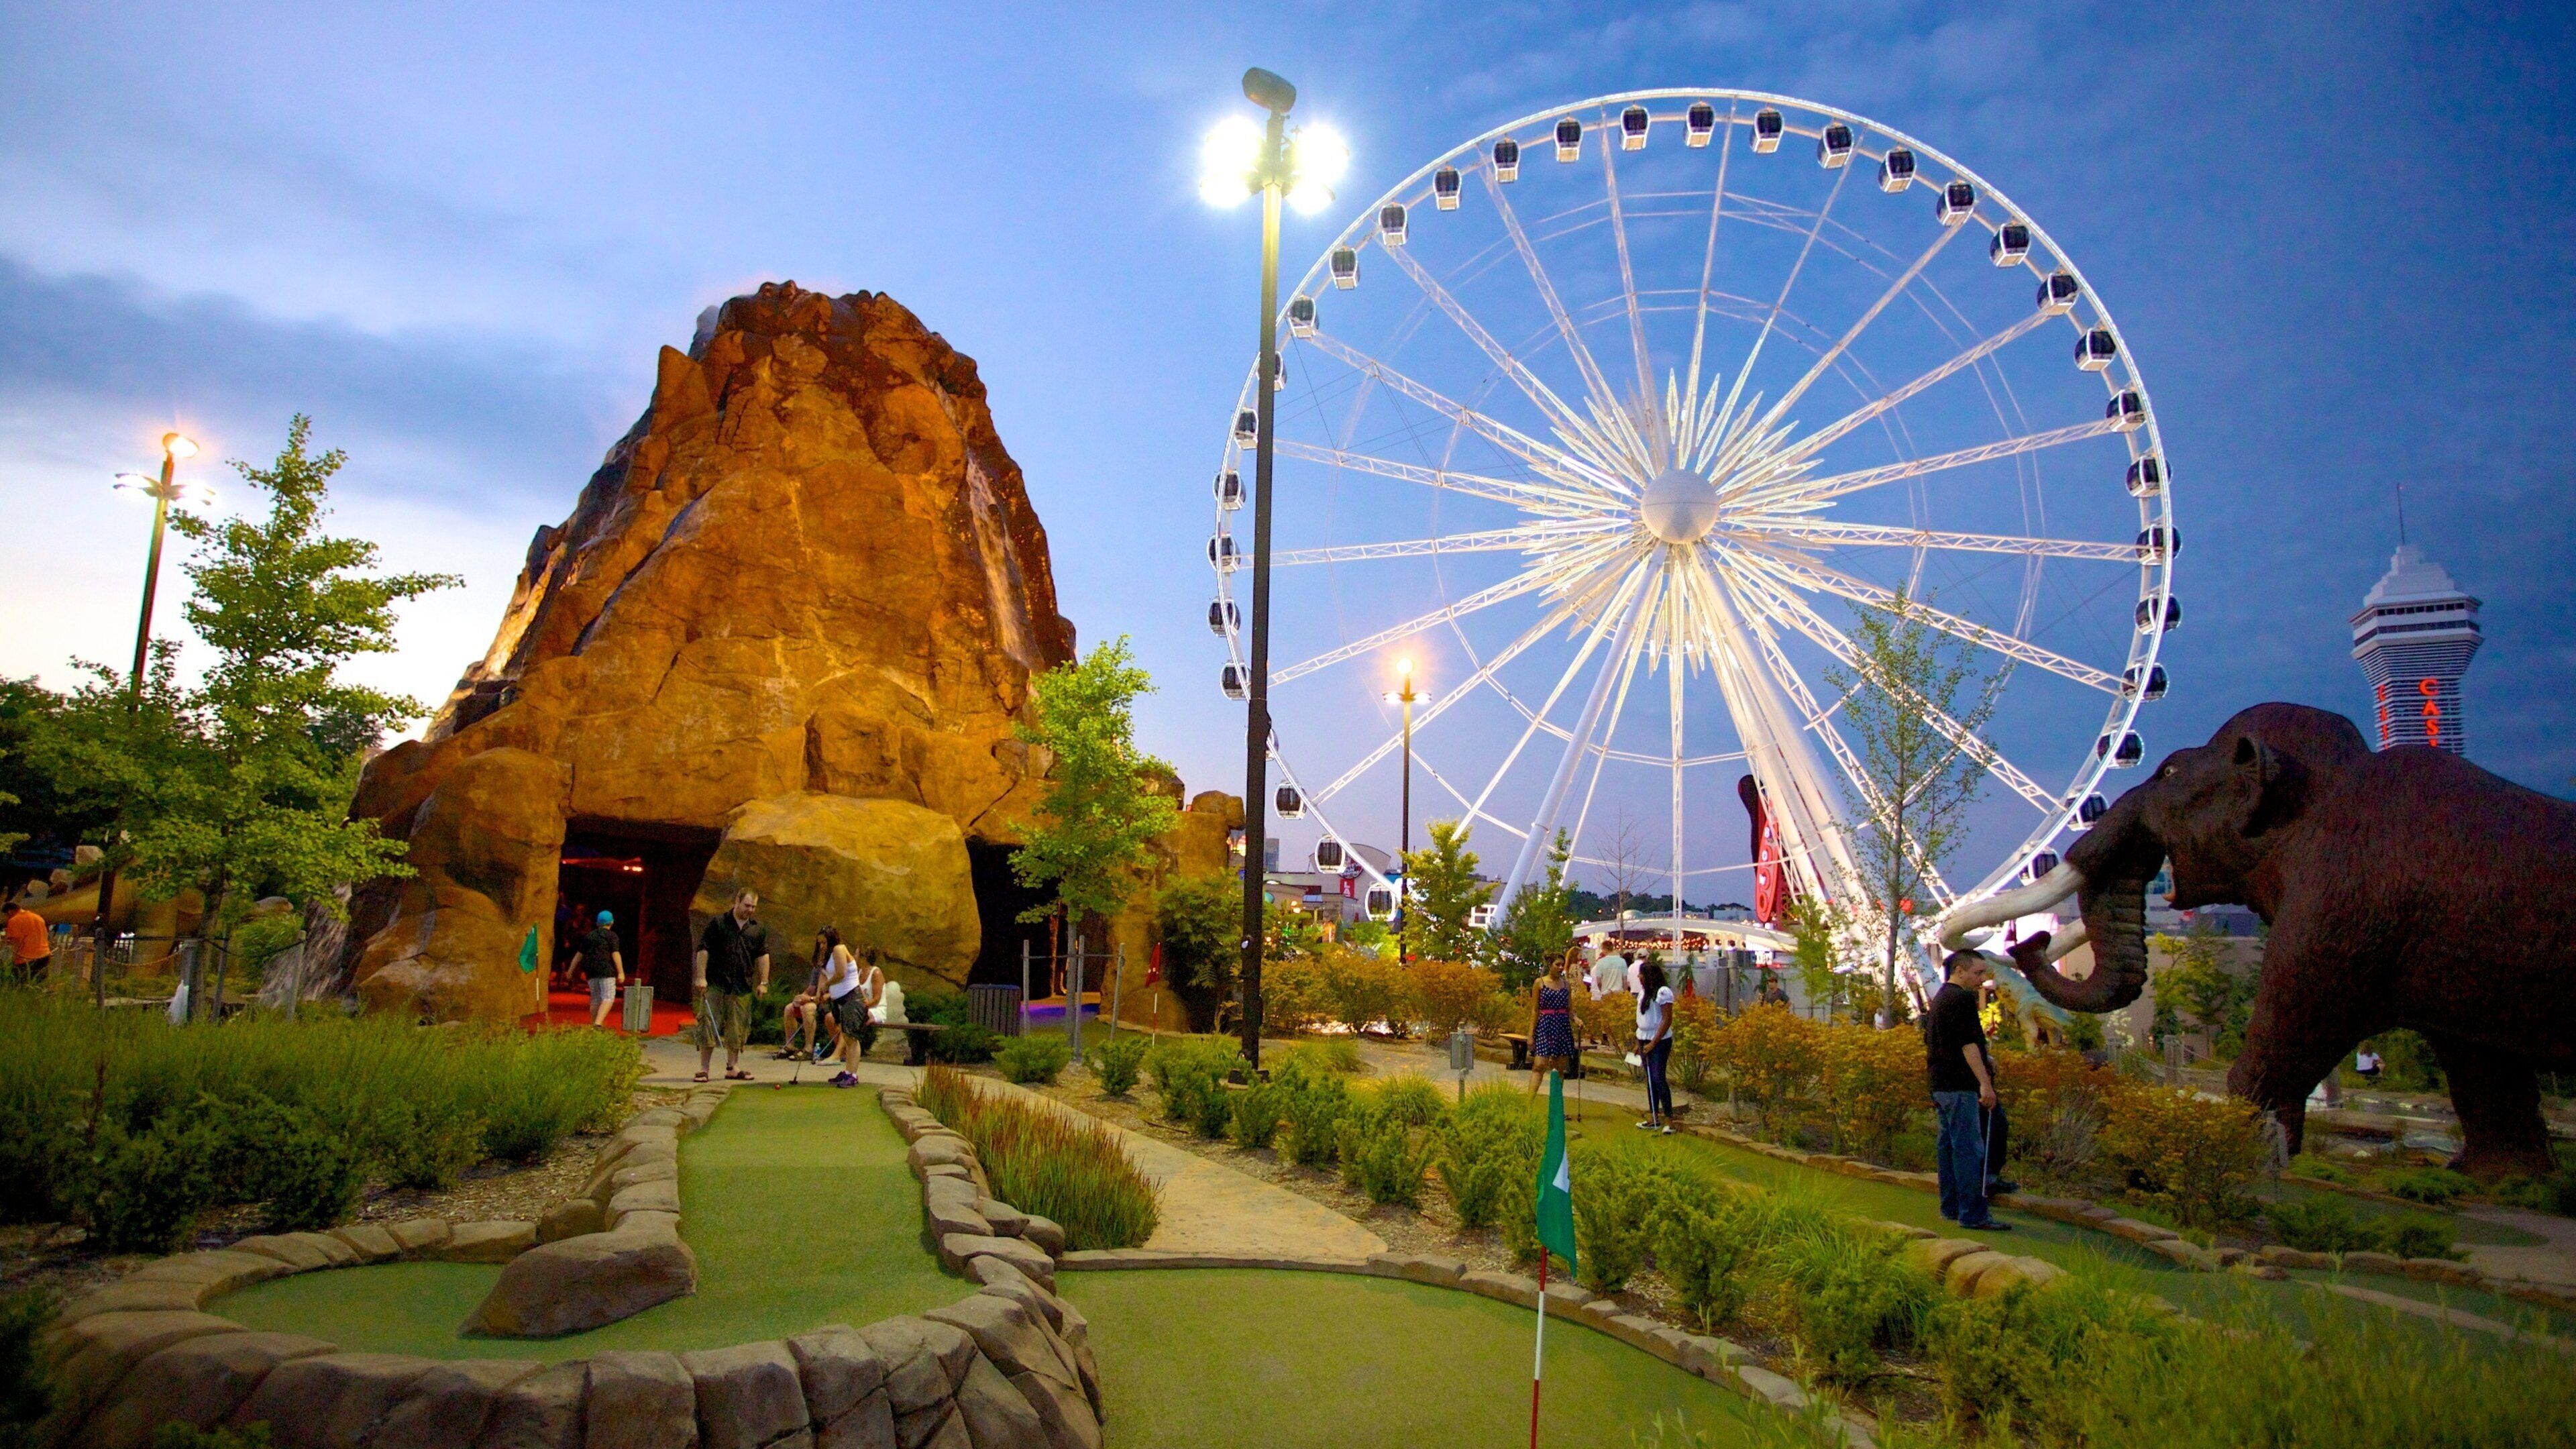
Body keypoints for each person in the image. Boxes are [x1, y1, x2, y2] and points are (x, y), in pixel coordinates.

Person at [1925, 950, 2010, 1232]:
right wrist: (1985, 1083)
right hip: (1960, 1085)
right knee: (1968, 1149)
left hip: (1941, 1083)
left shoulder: (1941, 998)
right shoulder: (1961, 999)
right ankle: (1973, 1213)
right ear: (1960, 971)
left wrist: (1985, 1060)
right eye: (1978, 973)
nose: (1982, 979)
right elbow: (1967, 1044)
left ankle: (1950, 1207)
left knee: (1948, 1146)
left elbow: (1942, 1041)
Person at [694, 889, 771, 1082]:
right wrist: (701, 977)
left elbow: (763, 956)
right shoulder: (718, 923)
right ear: (737, 901)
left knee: (738, 1027)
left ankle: (733, 1067)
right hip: (717, 983)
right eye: (747, 905)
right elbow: (703, 950)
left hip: (742, 985)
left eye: (754, 907)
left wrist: (763, 982)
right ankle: (704, 1068)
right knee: (708, 1023)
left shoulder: (757, 928)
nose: (750, 910)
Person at [820, 943, 883, 1087]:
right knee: (847, 1034)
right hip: (857, 1004)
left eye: (856, 954)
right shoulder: (858, 972)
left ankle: (852, 1075)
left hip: (873, 1008)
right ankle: (847, 1072)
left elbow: (877, 998)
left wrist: (864, 1005)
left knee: (851, 1036)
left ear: (864, 957)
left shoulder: (876, 973)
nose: (854, 957)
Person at [781, 929, 841, 1063]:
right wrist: (801, 997)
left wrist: (811, 999)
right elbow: (812, 988)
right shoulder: (819, 964)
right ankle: (790, 1046)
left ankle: (809, 1048)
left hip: (832, 1001)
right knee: (790, 1008)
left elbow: (834, 991)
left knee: (808, 1008)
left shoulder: (838, 962)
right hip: (818, 999)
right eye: (819, 943)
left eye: (824, 943)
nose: (821, 946)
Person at [1527, 951, 1580, 1095]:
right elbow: (1535, 1010)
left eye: (1562, 965)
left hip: (1562, 1026)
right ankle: (1529, 1105)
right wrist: (1530, 1035)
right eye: (1557, 964)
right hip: (1545, 1025)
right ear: (1550, 965)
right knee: (1539, 1065)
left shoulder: (1566, 985)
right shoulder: (1540, 983)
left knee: (1559, 1069)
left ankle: (1555, 1106)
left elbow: (1570, 1009)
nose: (1561, 967)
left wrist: (1576, 1019)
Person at [1634, 957, 1677, 1133]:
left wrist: (1653, 1042)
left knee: (1659, 1078)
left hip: (1659, 1040)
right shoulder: (1644, 993)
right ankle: (1654, 1117)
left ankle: (1669, 1120)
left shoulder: (1663, 992)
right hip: (1644, 1037)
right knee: (1650, 1080)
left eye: (1641, 975)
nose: (1639, 978)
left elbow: (1667, 1019)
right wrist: (1639, 1043)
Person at [581, 910, 625, 1028]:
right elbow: (615, 954)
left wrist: (570, 971)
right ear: (612, 922)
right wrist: (621, 972)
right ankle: (598, 1024)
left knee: (595, 998)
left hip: (591, 972)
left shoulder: (589, 936)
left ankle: (594, 1023)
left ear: (597, 923)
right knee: (608, 996)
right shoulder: (612, 936)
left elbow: (579, 954)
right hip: (606, 971)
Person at [4, 897, 52, 983]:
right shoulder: (37, 917)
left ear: (9, 911)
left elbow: (15, 942)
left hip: (26, 958)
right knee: (39, 984)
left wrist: (12, 960)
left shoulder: (14, 920)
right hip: (44, 955)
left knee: (18, 985)